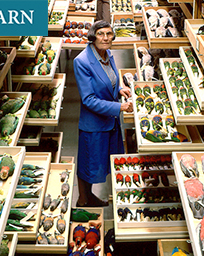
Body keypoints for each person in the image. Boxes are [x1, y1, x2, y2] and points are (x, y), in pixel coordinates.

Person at [73, 20, 132, 207]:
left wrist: (119, 90)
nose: (105, 38)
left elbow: (109, 80)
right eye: (100, 34)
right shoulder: (82, 61)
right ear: (93, 36)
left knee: (107, 159)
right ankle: (83, 199)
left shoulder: (108, 55)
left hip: (110, 121)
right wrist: (119, 108)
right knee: (89, 162)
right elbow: (88, 99)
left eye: (108, 34)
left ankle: (88, 197)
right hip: (94, 123)